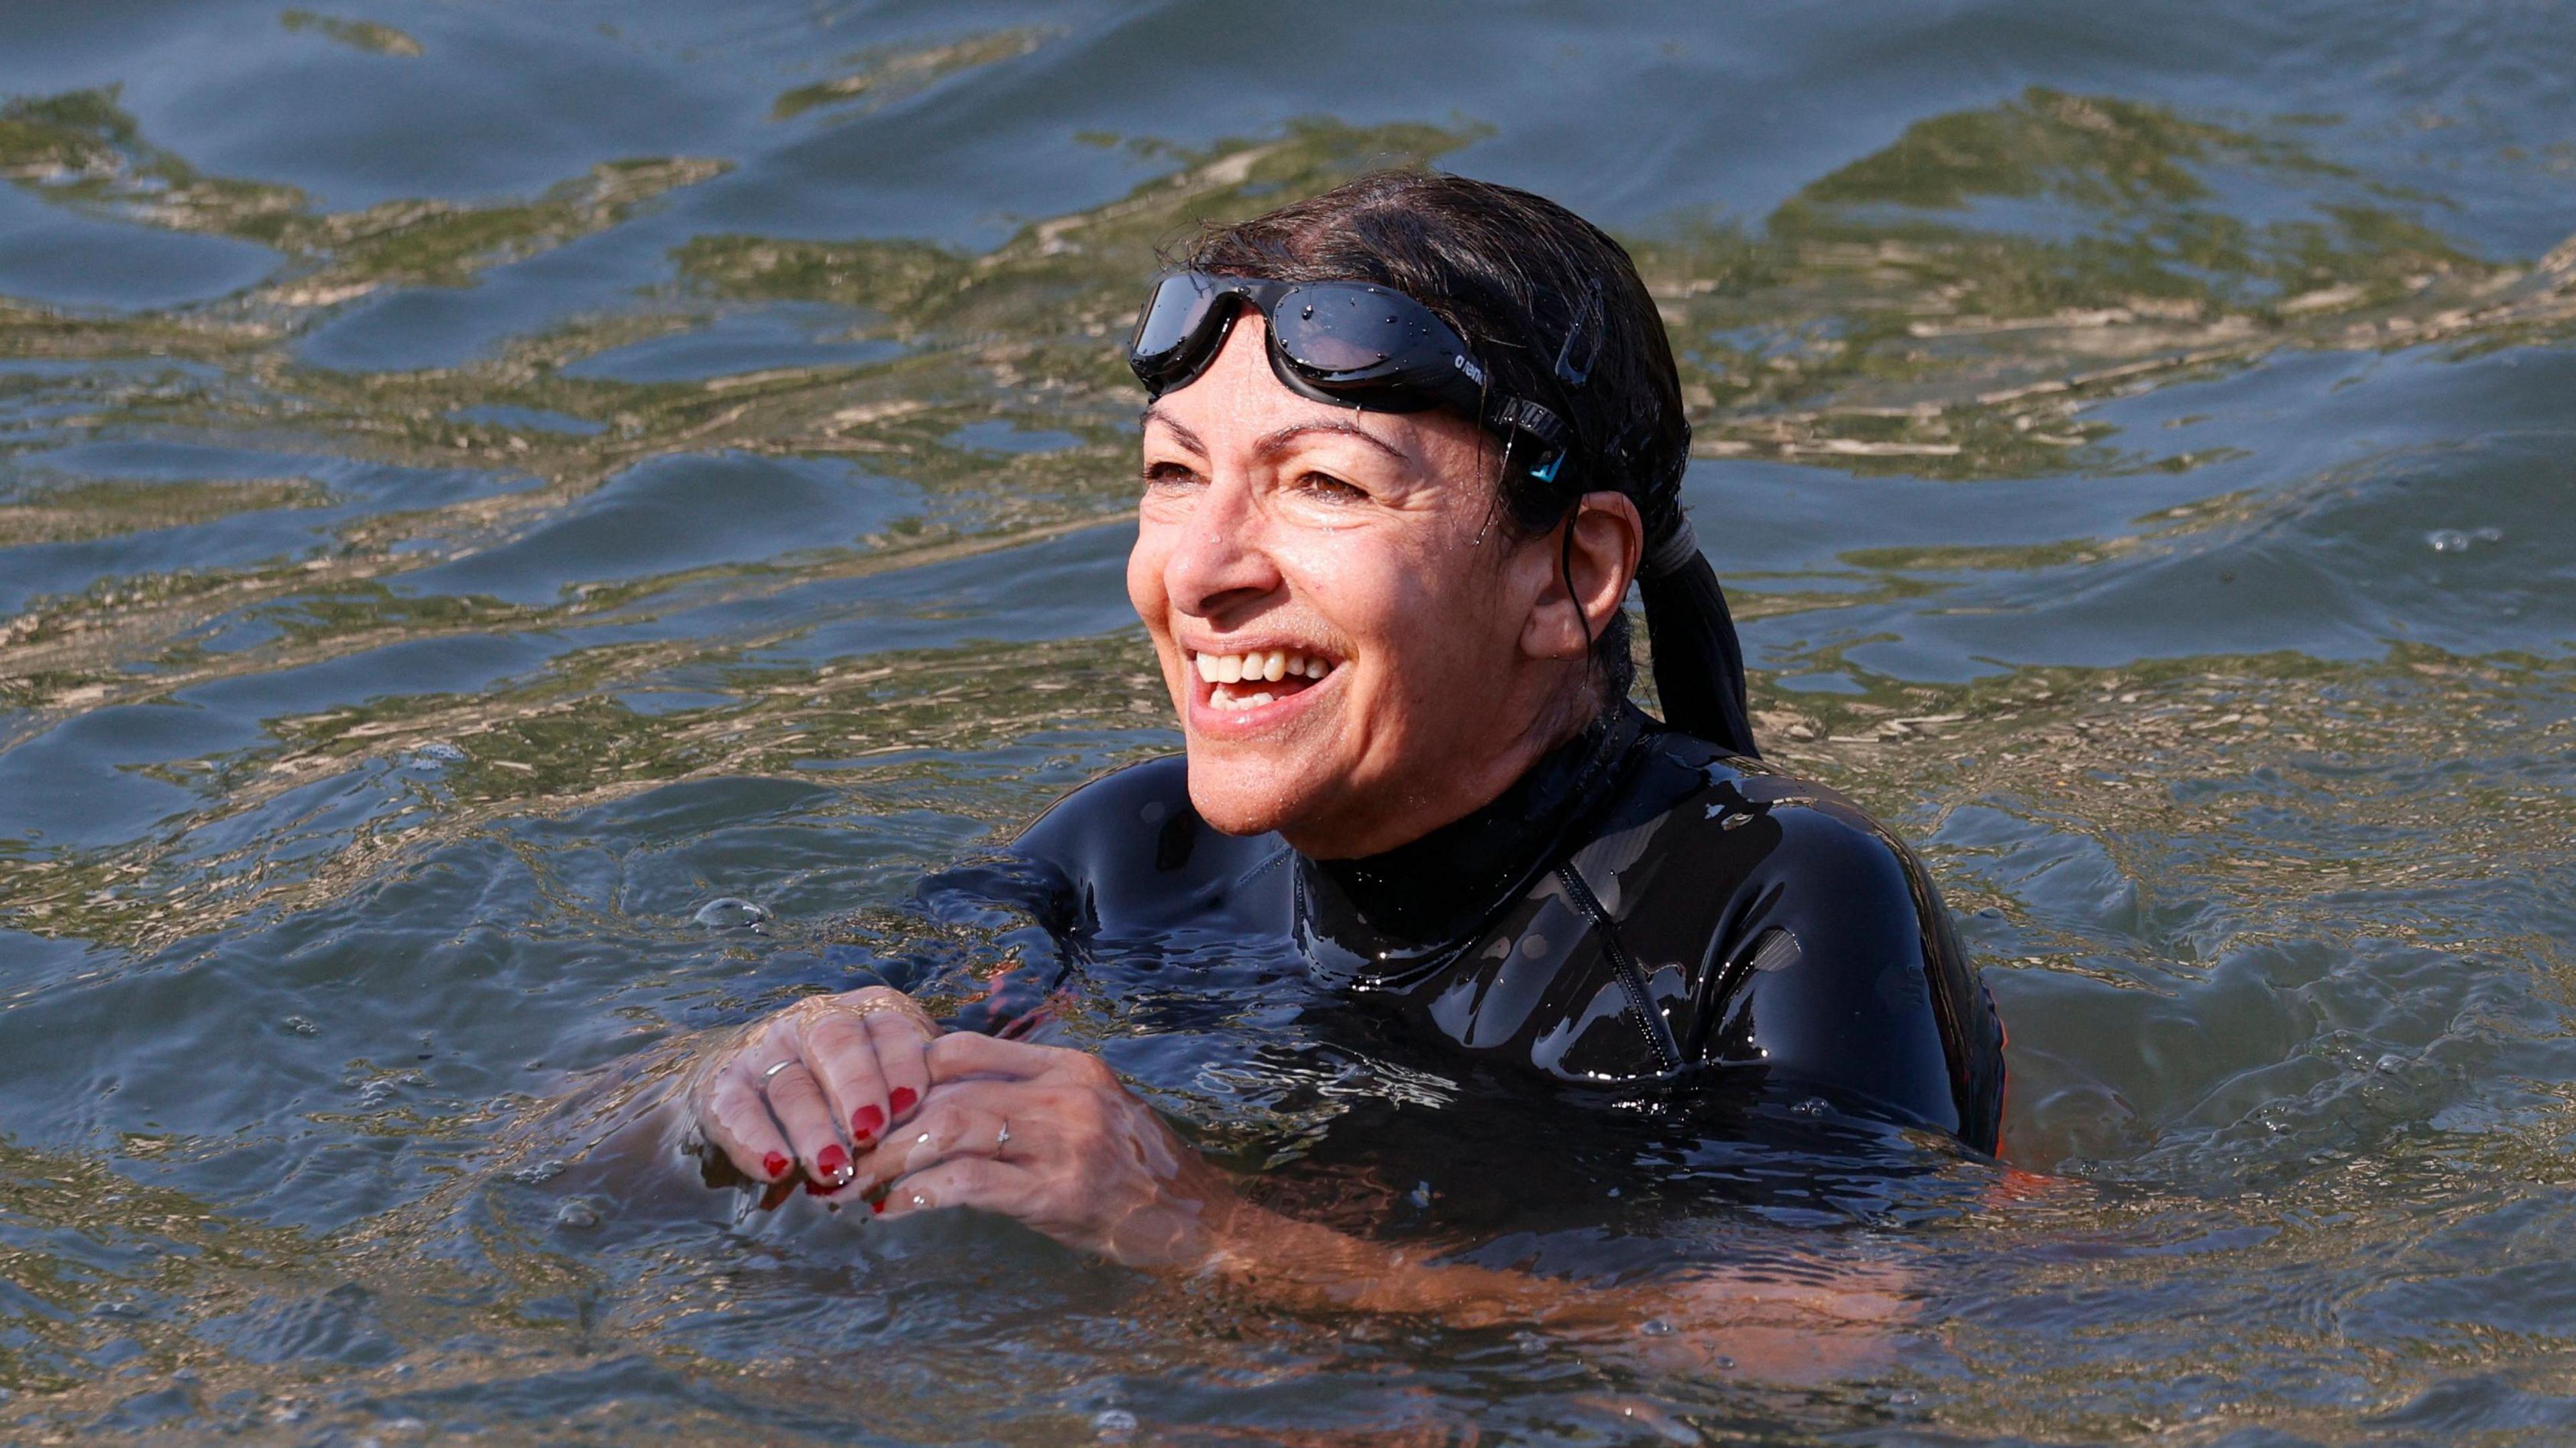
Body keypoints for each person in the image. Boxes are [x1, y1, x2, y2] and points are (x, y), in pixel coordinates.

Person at [660, 170, 2005, 1332]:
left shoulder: (1769, 899)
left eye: (1323, 485)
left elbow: (1825, 1333)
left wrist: (1200, 1230)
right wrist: (765, 1067)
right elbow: (597, 1124)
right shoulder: (1129, 861)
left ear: (1571, 575)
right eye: (1174, 475)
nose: (1197, 572)